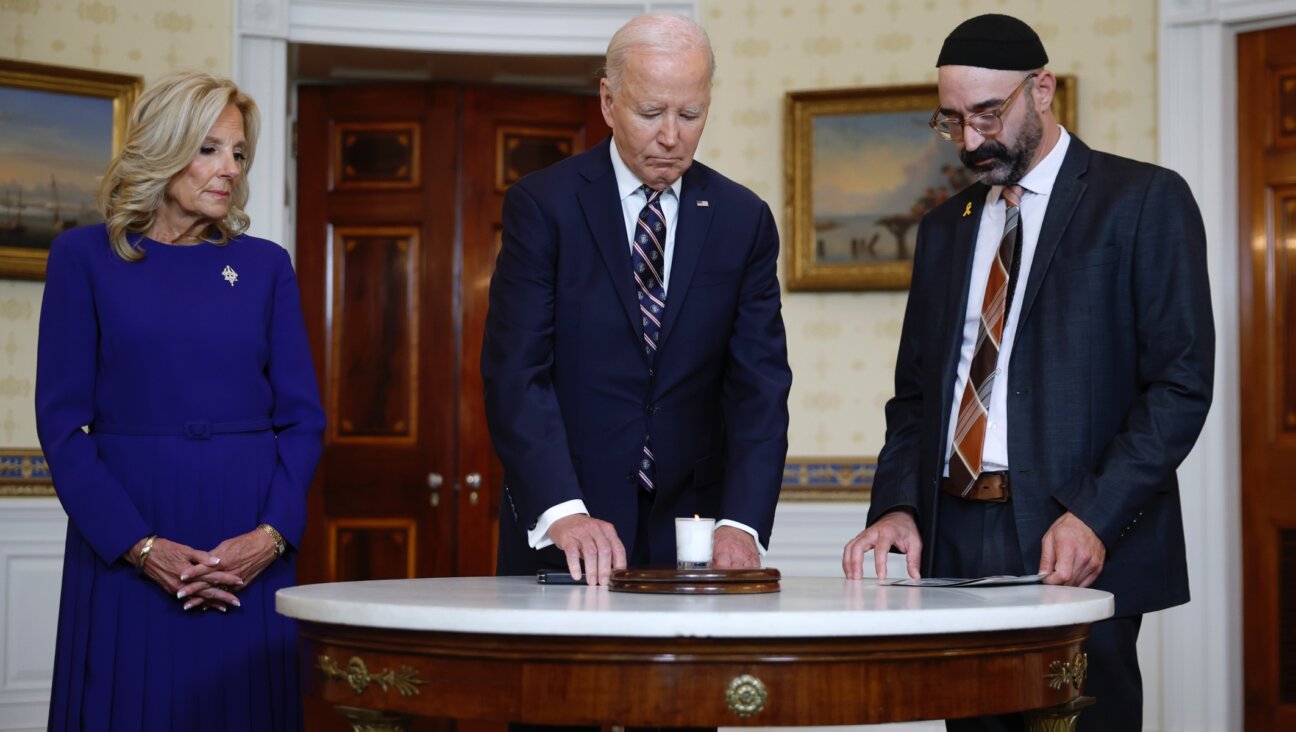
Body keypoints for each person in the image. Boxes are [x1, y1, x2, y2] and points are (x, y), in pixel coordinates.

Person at [841, 14, 1213, 732]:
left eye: (988, 114)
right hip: (953, 542)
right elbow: (918, 396)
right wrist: (896, 507)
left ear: (1041, 89)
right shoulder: (943, 227)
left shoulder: (1142, 201)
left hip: (1072, 537)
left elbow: (1180, 384)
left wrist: (1095, 515)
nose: (971, 141)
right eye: (950, 121)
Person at [36, 71, 324, 731]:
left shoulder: (265, 266)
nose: (229, 169)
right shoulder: (82, 257)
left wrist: (271, 537)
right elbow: (62, 425)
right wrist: (138, 546)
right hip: (126, 536)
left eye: (239, 153)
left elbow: (303, 420)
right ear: (164, 149)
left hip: (245, 542)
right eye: (209, 149)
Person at [482, 12, 792, 587]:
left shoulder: (742, 220)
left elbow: (760, 386)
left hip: (694, 533)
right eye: (651, 113)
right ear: (608, 101)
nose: (671, 136)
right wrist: (562, 511)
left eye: (691, 114)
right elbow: (517, 374)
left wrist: (743, 523)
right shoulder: (543, 207)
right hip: (571, 526)